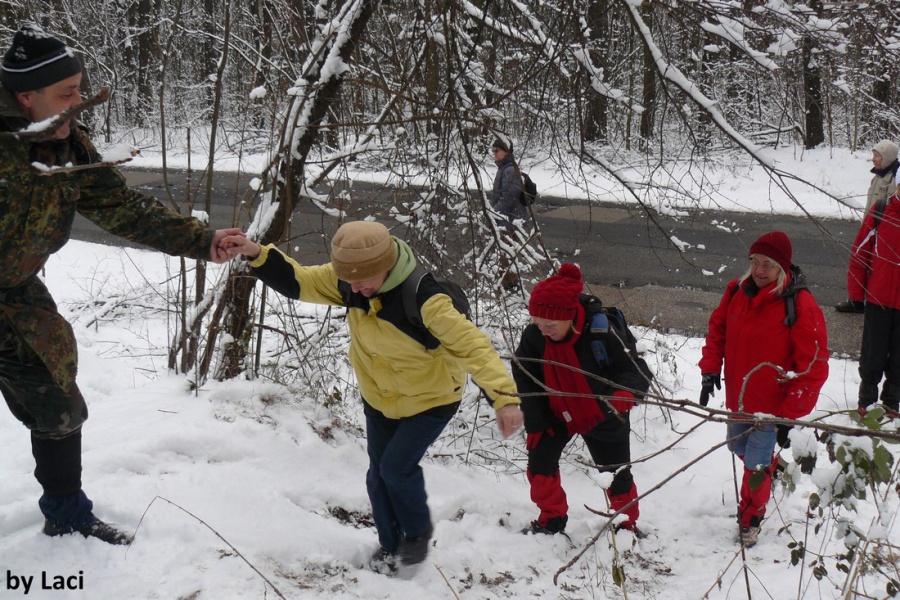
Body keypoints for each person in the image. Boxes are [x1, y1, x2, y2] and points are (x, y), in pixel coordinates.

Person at [0, 23, 244, 545]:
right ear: (27, 97)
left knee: (58, 404)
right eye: (66, 94)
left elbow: (119, 207)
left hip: (14, 297)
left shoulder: (64, 145)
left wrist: (203, 241)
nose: (79, 102)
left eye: (80, 89)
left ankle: (66, 513)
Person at [223, 221, 523, 572]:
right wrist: (255, 253)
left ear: (387, 265)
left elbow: (476, 348)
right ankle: (390, 548)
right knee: (377, 477)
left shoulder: (426, 301)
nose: (356, 289)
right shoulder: (350, 283)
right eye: (349, 281)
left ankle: (416, 535)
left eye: (364, 280)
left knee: (396, 469)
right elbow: (299, 280)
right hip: (380, 400)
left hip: (431, 401)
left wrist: (505, 399)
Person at [699, 231, 829, 547]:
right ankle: (770, 467)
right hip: (739, 399)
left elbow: (812, 366)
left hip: (772, 408)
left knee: (752, 466)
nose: (759, 271)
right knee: (738, 448)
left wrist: (789, 416)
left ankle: (750, 518)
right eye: (755, 262)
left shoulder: (799, 303)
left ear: (782, 268)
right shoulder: (736, 292)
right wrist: (710, 368)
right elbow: (718, 330)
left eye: (768, 265)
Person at [511, 264, 649, 537]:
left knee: (616, 474)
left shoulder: (600, 333)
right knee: (539, 466)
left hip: (602, 412)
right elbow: (525, 377)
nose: (543, 330)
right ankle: (551, 520)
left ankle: (625, 525)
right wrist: (537, 422)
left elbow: (636, 370)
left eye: (549, 324)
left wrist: (623, 395)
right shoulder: (535, 337)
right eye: (537, 323)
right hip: (555, 412)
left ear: (569, 316)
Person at [845, 178, 900, 418]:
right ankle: (866, 402)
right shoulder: (881, 212)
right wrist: (857, 294)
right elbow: (860, 253)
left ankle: (891, 405)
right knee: (872, 354)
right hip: (879, 300)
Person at [836, 140, 899, 313]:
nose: (873, 159)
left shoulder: (894, 180)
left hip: (882, 232)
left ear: (887, 158)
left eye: (877, 155)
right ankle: (856, 298)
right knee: (859, 261)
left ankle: (872, 302)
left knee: (877, 268)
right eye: (873, 155)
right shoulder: (877, 177)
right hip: (870, 226)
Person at [491, 138, 530, 291]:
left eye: (497, 150)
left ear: (506, 152)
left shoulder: (509, 170)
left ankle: (511, 286)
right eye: (493, 150)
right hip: (505, 219)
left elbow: (510, 197)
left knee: (506, 255)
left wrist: (493, 212)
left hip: (509, 220)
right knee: (505, 254)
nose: (494, 154)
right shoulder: (505, 168)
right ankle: (508, 284)